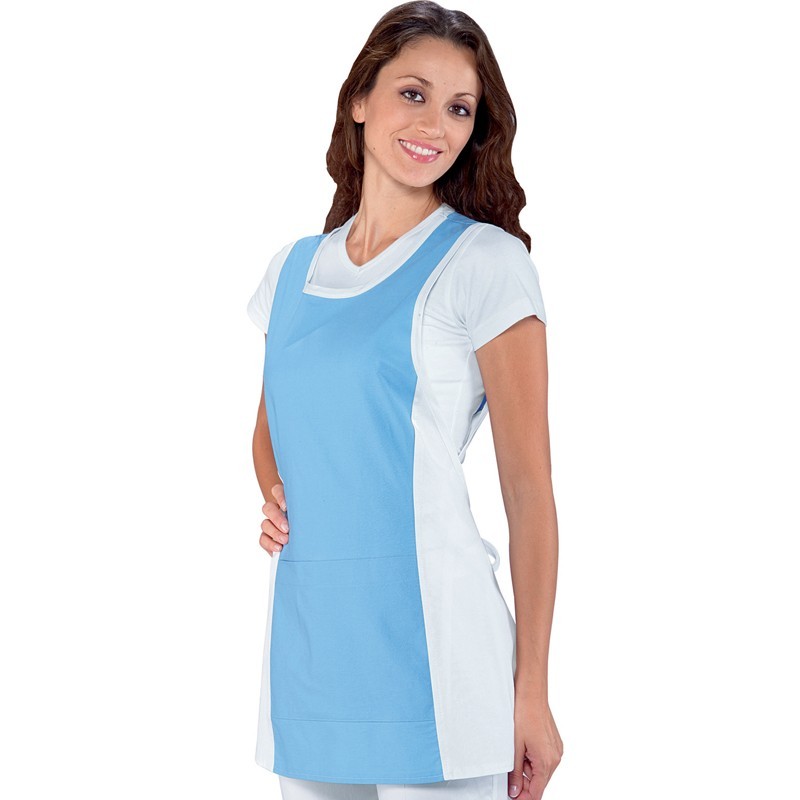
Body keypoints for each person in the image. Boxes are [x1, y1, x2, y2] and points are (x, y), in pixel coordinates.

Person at [246, 2, 562, 798]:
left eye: (460, 108)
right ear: (361, 98)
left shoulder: (486, 265)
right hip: (312, 658)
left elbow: (529, 491)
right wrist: (276, 496)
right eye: (413, 94)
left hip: (444, 671)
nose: (435, 125)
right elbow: (273, 427)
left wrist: (531, 691)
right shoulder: (291, 271)